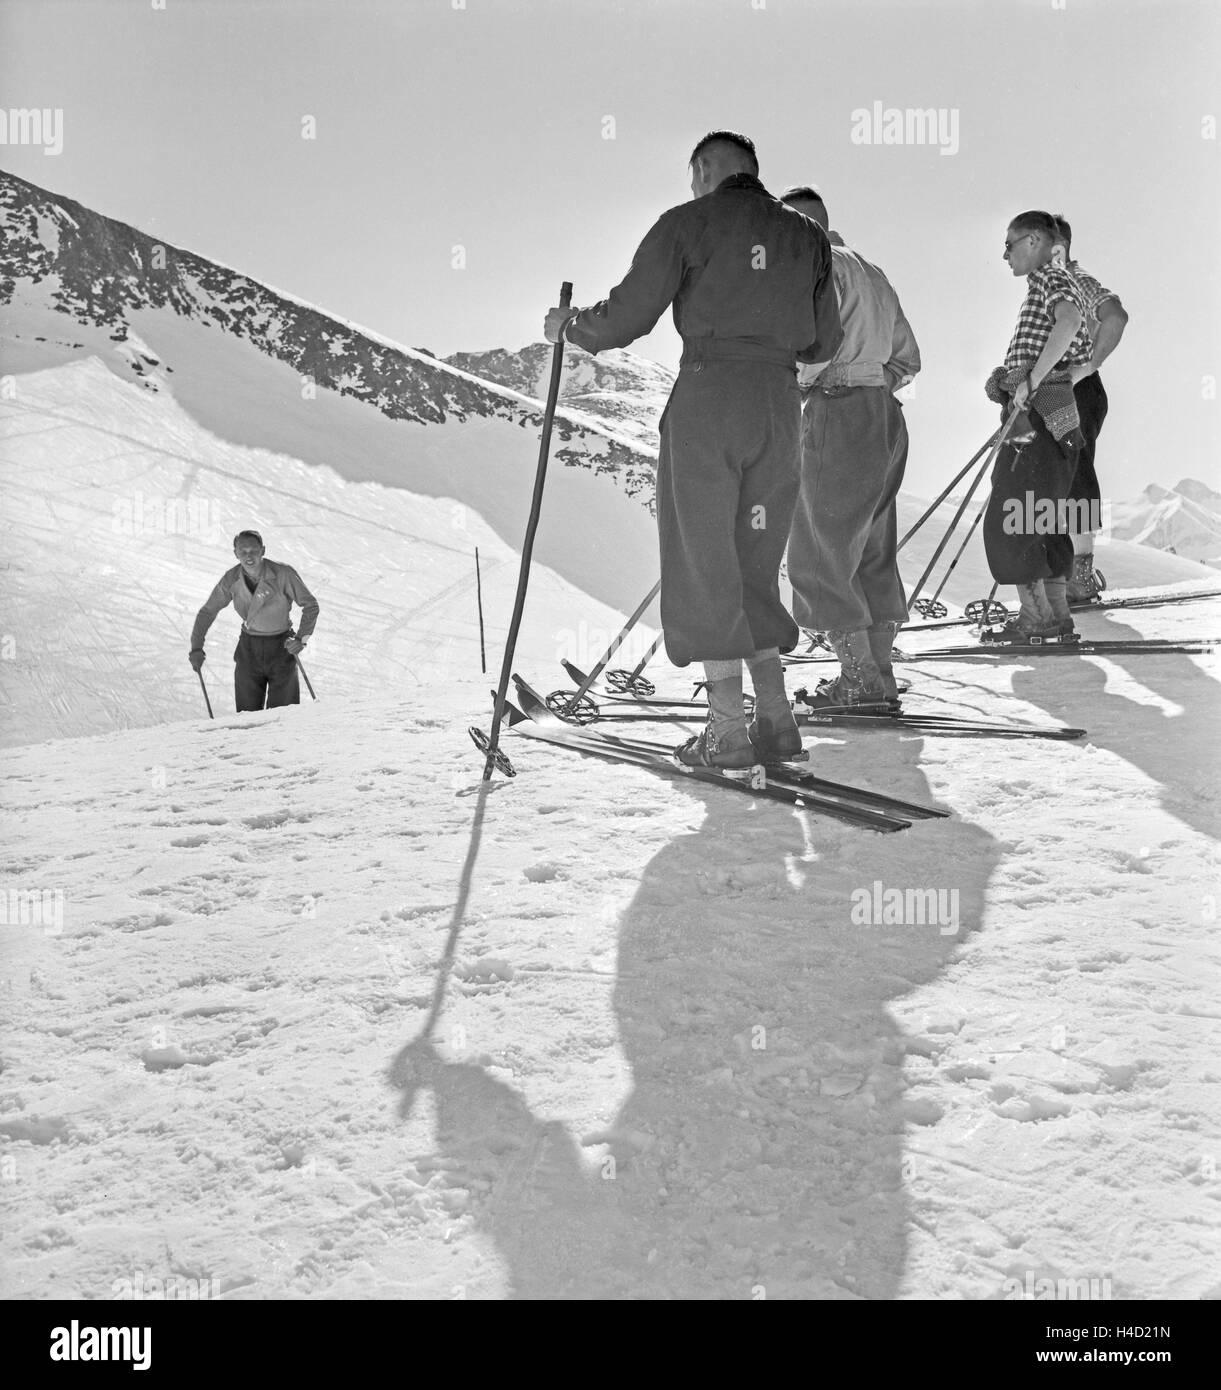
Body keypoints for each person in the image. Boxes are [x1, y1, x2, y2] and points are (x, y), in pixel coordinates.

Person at [543, 131, 842, 768]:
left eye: (693, 177)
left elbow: (628, 316)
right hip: (779, 405)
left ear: (705, 170)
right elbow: (823, 342)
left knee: (705, 557)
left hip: (711, 399)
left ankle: (728, 731)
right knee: (756, 561)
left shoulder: (688, 222)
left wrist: (571, 328)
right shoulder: (809, 237)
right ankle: (778, 723)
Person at [780, 185, 920, 709]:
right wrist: (869, 379)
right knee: (871, 550)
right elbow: (907, 358)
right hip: (883, 414)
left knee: (820, 551)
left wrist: (798, 386)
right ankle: (878, 677)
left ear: (796, 224)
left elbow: (813, 351)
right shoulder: (872, 271)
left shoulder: (813, 266)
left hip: (836, 412)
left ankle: (859, 683)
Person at [981, 210, 1090, 642]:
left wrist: (1029, 378)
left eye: (1009, 244)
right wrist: (1020, 377)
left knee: (1011, 512)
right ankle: (1056, 613)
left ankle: (1035, 617)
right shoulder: (1057, 280)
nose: (1005, 254)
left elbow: (1070, 323)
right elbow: (1071, 347)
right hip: (1058, 420)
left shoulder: (1049, 277)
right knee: (1043, 513)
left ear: (1033, 242)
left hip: (1036, 422)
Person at [1051, 215, 1129, 602]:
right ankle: (1068, 575)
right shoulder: (1054, 286)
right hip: (1063, 389)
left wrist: (1087, 366)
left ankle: (1078, 575)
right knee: (1061, 477)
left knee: (1076, 474)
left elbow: (1115, 316)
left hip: (1078, 390)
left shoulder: (1077, 281)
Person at [189, 530, 319, 711]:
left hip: (282, 648)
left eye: (253, 551)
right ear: (235, 553)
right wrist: (196, 647)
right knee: (247, 717)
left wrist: (301, 640)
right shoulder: (231, 579)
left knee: (283, 716)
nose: (248, 556)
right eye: (242, 551)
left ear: (263, 550)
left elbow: (310, 605)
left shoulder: (282, 573)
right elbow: (208, 612)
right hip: (249, 650)